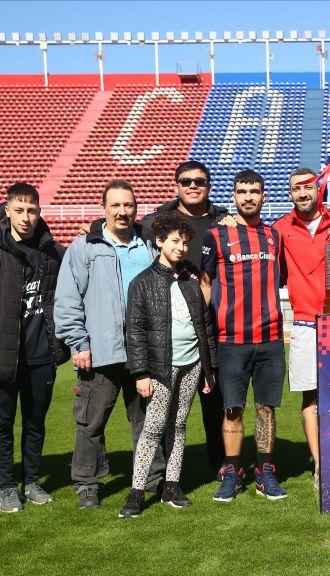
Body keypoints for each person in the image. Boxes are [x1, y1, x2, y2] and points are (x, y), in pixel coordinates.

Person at [55, 180, 165, 509]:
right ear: (103, 209)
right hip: (100, 352)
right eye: (115, 205)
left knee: (148, 420)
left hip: (143, 352)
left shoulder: (148, 246)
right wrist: (79, 344)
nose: (122, 212)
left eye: (128, 205)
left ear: (136, 209)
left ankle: (153, 478)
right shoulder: (84, 247)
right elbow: (67, 300)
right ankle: (87, 483)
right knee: (91, 421)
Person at [119, 212, 217, 518]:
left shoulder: (190, 280)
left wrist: (208, 369)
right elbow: (134, 332)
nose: (181, 247)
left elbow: (205, 326)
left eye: (185, 242)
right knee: (153, 427)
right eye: (175, 241)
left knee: (179, 425)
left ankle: (172, 486)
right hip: (161, 368)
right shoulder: (142, 283)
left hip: (192, 365)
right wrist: (140, 372)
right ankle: (137, 492)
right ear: (159, 241)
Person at [200, 169, 287, 502]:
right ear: (233, 197)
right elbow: (205, 281)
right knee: (232, 409)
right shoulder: (216, 235)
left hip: (270, 338)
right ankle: (233, 471)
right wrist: (212, 322)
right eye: (242, 191)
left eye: (254, 191)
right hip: (231, 339)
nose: (248, 197)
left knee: (266, 408)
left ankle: (265, 471)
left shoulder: (274, 236)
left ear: (264, 196)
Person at [140, 160, 228, 476]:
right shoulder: (156, 222)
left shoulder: (224, 222)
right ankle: (165, 470)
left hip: (214, 326)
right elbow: (119, 223)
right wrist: (93, 227)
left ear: (209, 185)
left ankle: (220, 466)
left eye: (200, 181)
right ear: (176, 185)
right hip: (172, 328)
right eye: (186, 180)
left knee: (214, 400)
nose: (193, 185)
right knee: (167, 406)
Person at [273, 167, 330, 490]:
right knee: (311, 399)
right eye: (295, 189)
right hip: (303, 324)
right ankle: (321, 465)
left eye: (307, 187)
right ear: (289, 194)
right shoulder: (280, 229)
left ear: (319, 190)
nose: (302, 193)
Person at [0, 183, 68, 513]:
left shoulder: (52, 251)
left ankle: (32, 480)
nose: (26, 217)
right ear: (7, 210)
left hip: (41, 353)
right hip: (5, 353)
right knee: (3, 424)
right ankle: (6, 485)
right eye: (20, 210)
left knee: (35, 423)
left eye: (32, 210)